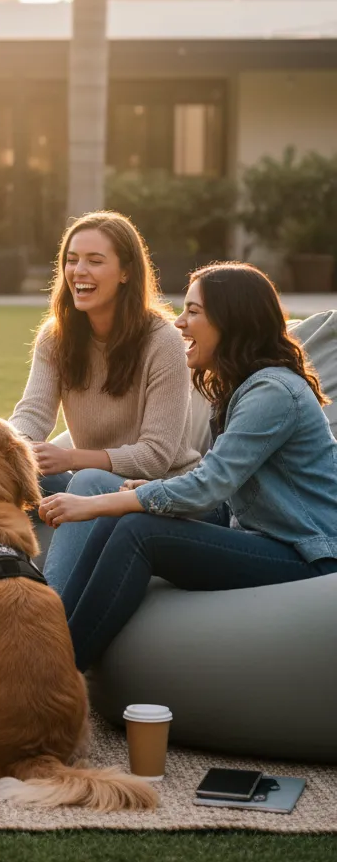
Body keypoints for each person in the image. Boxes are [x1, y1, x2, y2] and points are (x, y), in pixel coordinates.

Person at [0, 210, 201, 679]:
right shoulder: (58, 335)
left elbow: (157, 454)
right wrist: (5, 454)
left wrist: (73, 456)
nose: (79, 272)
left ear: (127, 272)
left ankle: (37, 629)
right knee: (5, 480)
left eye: (95, 260)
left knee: (91, 477)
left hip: (154, 486)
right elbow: (31, 417)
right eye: (72, 260)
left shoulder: (162, 341)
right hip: (87, 477)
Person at [39, 262, 337, 671]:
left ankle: (53, 673)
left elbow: (207, 487)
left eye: (194, 311)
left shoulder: (273, 391)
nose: (179, 323)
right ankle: (46, 640)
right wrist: (142, 493)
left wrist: (96, 504)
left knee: (140, 532)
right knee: (125, 520)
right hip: (272, 539)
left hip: (309, 553)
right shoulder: (241, 389)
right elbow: (225, 504)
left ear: (231, 320)